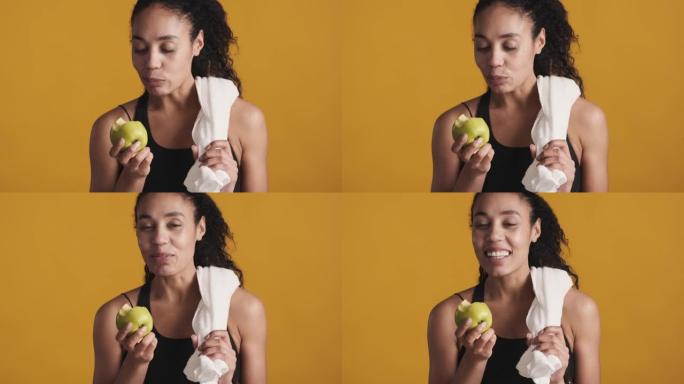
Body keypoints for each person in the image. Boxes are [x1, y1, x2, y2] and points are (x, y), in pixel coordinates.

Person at [90, 0, 268, 192]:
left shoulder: (246, 121)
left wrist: (226, 186)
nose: (151, 63)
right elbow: (103, 216)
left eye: (167, 48)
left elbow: (258, 216)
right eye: (140, 48)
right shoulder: (109, 128)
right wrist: (132, 177)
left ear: (197, 44)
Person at [431, 0, 608, 192]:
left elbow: (597, 215)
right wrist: (473, 173)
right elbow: (442, 215)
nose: (494, 61)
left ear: (539, 41)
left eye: (510, 46)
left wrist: (562, 188)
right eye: (482, 46)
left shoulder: (586, 120)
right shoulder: (450, 125)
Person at [93, 193, 267, 383]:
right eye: (147, 227)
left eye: (174, 225)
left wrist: (223, 380)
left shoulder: (245, 310)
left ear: (200, 228)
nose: (159, 239)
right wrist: (136, 363)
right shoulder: (113, 316)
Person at [427, 192, 600, 384]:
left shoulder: (578, 310)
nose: (494, 236)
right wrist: (474, 360)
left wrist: (556, 380)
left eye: (509, 223)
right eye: (482, 225)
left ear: (535, 230)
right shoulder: (447, 316)